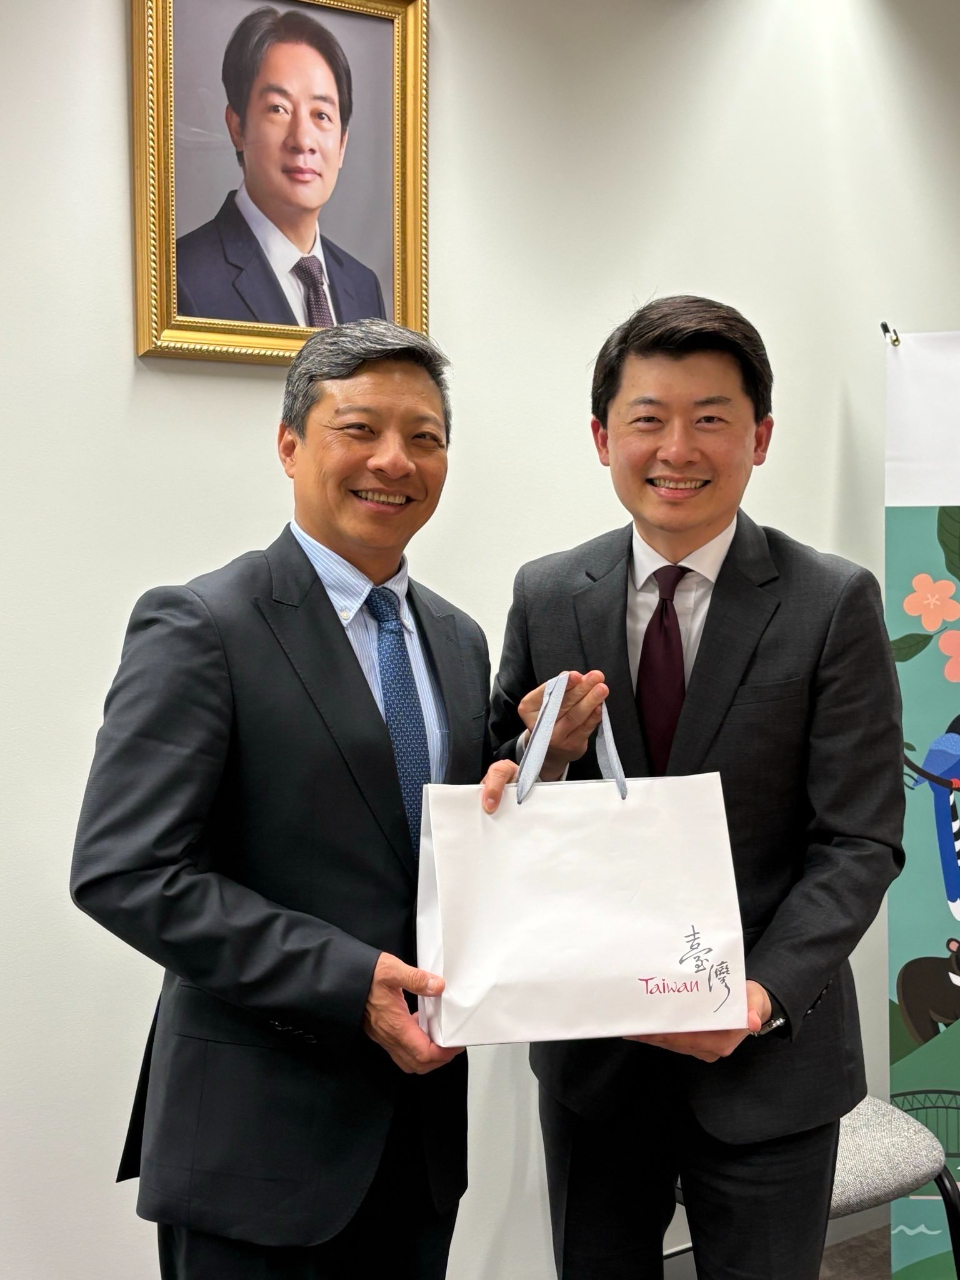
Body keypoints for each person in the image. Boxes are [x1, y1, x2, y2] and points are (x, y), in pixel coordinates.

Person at [482, 295, 905, 1280]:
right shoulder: (548, 592)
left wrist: (756, 996)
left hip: (769, 1058)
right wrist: (543, 754)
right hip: (595, 1059)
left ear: (760, 437)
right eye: (648, 418)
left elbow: (860, 839)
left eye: (711, 417)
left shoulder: (830, 601)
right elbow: (501, 784)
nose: (677, 448)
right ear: (603, 437)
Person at [71, 320, 488, 1279]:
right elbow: (125, 871)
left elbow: (422, 844)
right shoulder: (202, 624)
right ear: (290, 444)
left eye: (424, 437)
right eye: (360, 429)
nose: (395, 460)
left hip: (419, 1145)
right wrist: (349, 982)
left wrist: (540, 765)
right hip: (254, 1147)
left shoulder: (458, 640)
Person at [176, 7, 386, 327]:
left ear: (342, 144)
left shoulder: (364, 287)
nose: (302, 140)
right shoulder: (183, 276)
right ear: (237, 127)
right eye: (278, 109)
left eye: (321, 115)